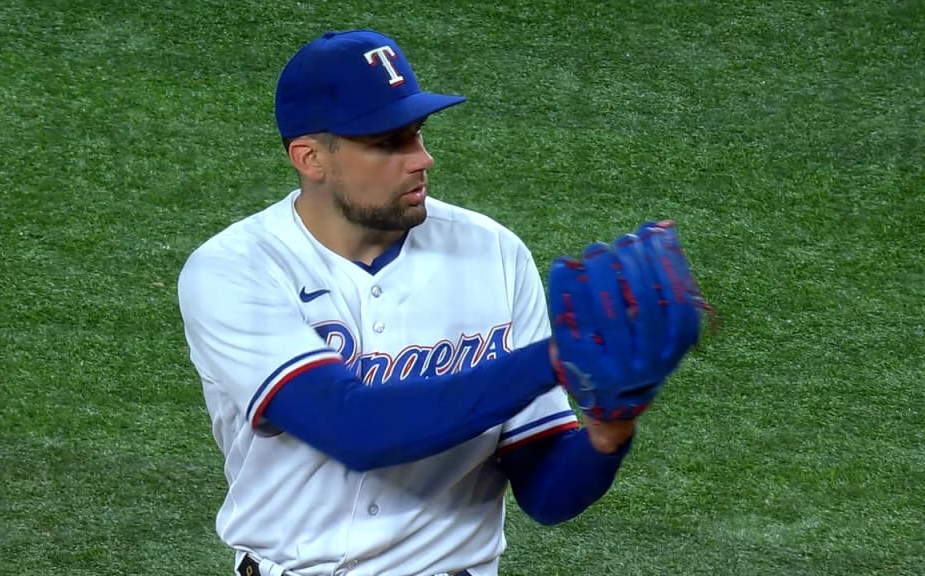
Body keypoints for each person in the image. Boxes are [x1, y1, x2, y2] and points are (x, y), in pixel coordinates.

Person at [177, 29, 641, 576]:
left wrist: (608, 435)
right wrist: (556, 360)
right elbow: (357, 429)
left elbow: (544, 491)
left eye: (417, 134)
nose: (422, 159)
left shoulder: (493, 252)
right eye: (387, 142)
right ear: (310, 157)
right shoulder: (235, 269)